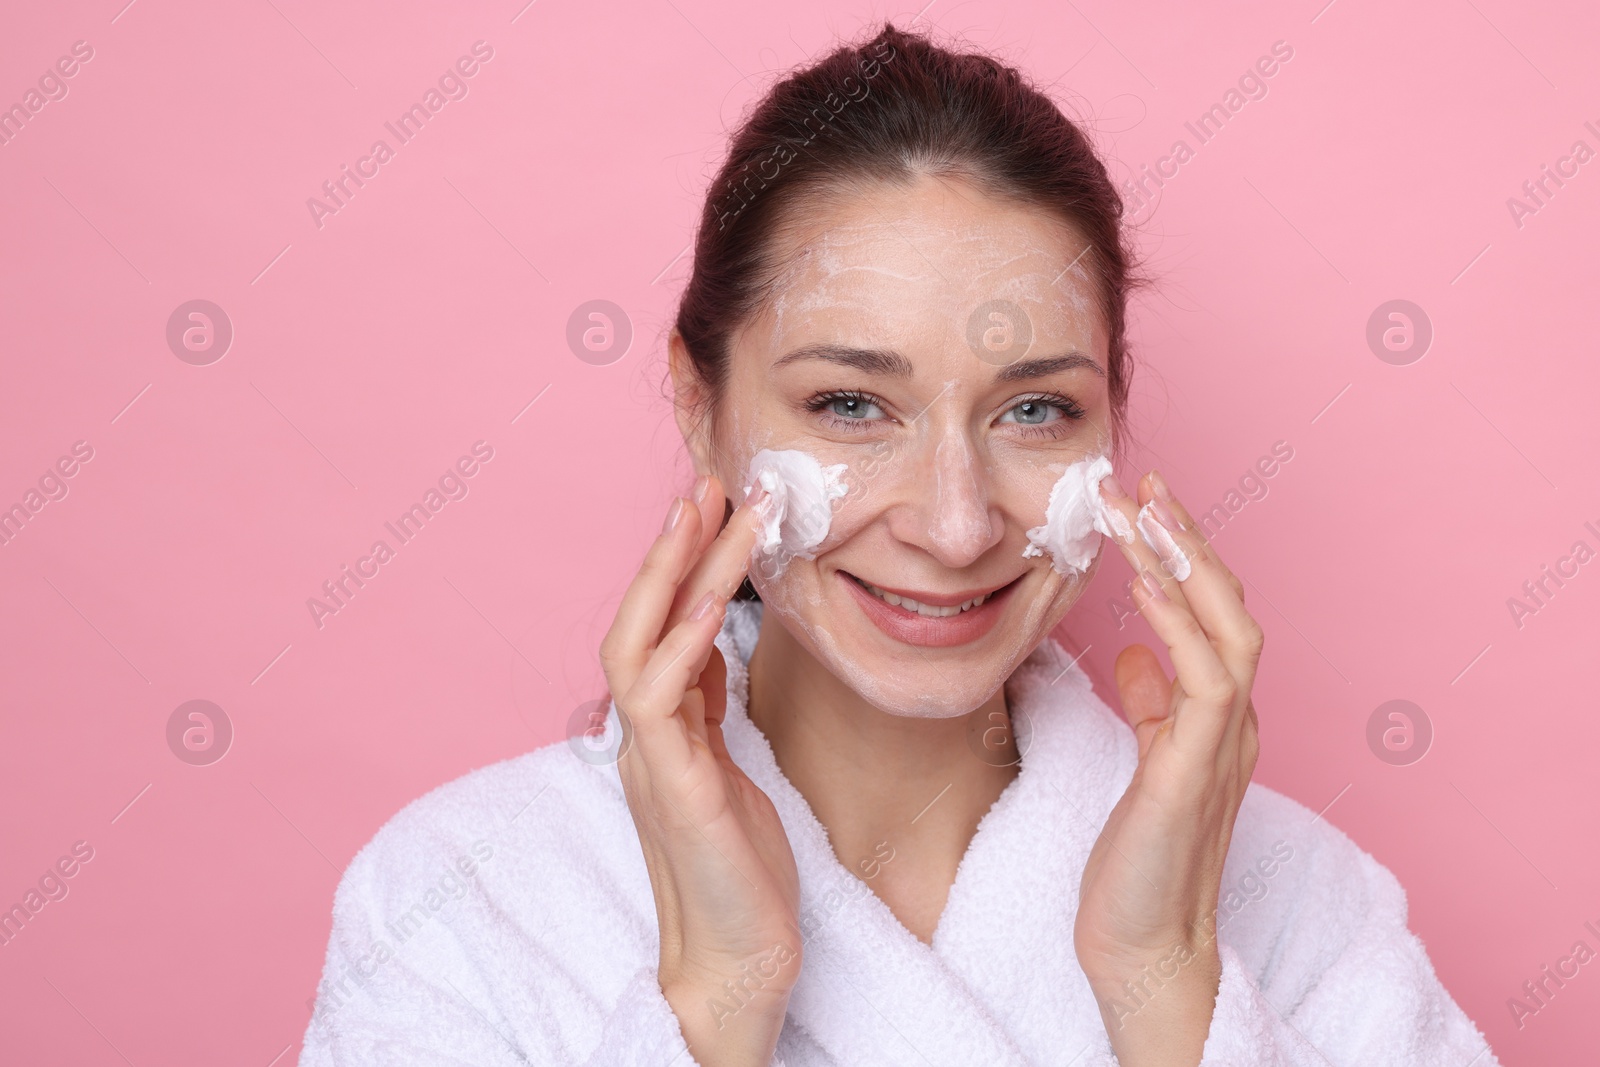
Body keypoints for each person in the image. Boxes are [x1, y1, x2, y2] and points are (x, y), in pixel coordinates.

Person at [299, 22, 1499, 1066]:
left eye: (1035, 410)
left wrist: (1167, 978)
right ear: (697, 407)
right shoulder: (462, 901)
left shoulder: (1294, 902)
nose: (954, 521)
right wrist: (718, 999)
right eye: (850, 405)